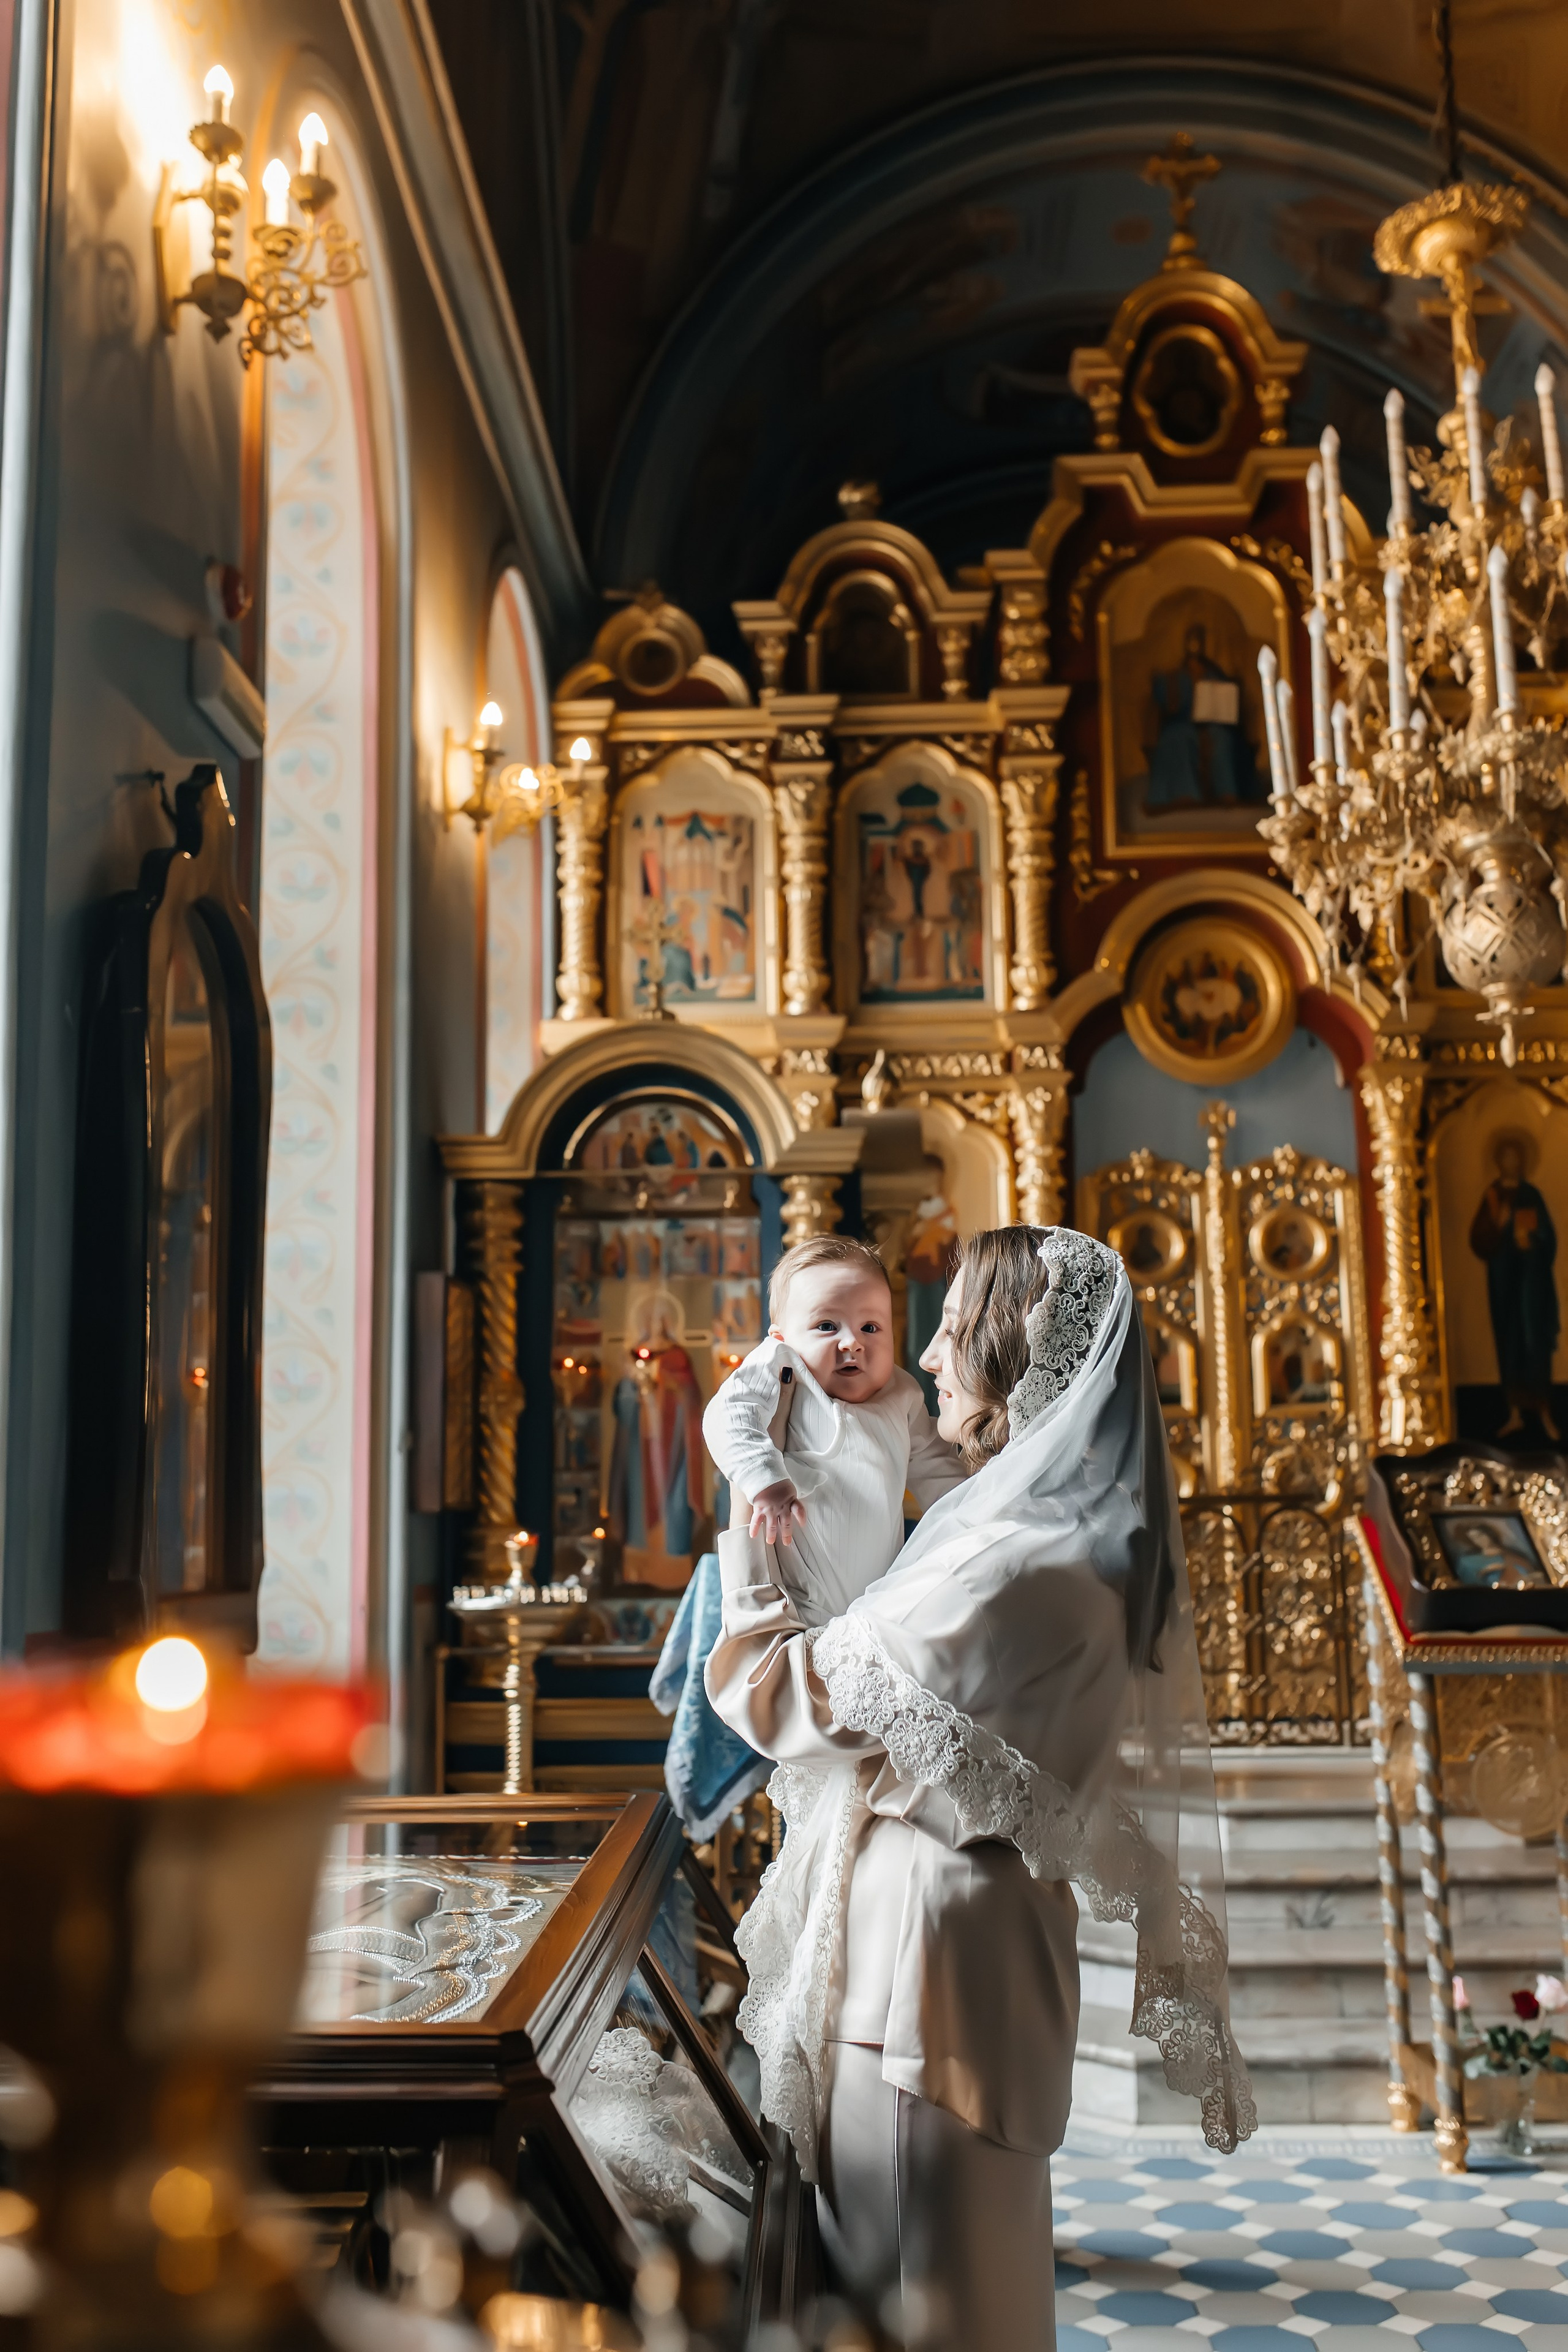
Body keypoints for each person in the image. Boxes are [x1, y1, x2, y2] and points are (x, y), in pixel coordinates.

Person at [705, 1225, 1254, 2347]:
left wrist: (752, 1537)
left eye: (952, 1330)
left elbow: (778, 1697)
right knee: (966, 2297)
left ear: (1015, 1353)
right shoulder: (1064, 1529)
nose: (927, 1356)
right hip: (971, 1950)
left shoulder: (1009, 1562)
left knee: (917, 2302)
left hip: (922, 1981)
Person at [701, 1235, 965, 1625]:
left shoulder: (902, 1394)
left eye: (870, 1327)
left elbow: (939, 1471)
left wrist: (971, 1511)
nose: (852, 1342)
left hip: (879, 1603)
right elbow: (727, 1416)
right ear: (781, 1338)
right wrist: (765, 1481)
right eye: (827, 1326)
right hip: (797, 1599)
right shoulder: (782, 1367)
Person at [1469, 1137, 1561, 1440]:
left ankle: (1545, 1413)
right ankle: (1515, 1414)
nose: (1511, 1163)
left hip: (1532, 1283)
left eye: (1515, 1157)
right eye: (1506, 1157)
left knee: (1536, 1343)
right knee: (1509, 1342)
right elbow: (1480, 1240)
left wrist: (1533, 1238)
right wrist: (1500, 1224)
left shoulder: (1532, 1195)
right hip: (1504, 1282)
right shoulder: (1493, 1196)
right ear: (1499, 1162)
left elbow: (1549, 1238)